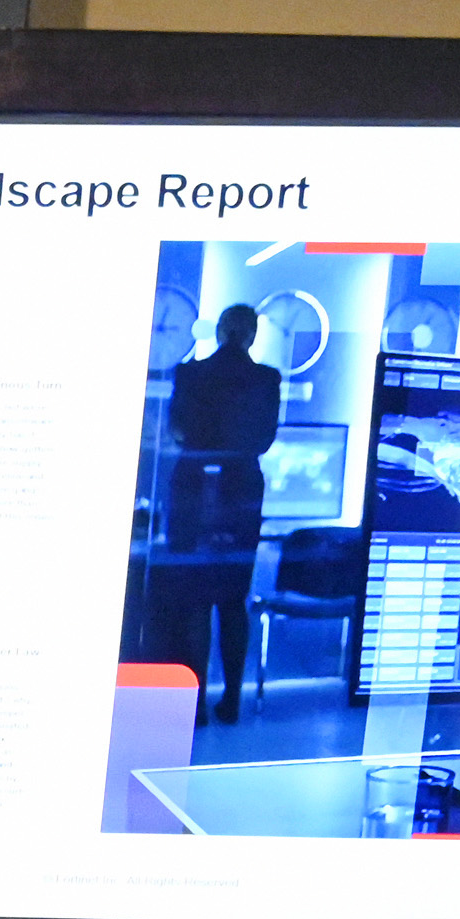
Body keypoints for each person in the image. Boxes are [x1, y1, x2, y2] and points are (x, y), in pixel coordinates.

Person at [139, 304, 284, 724]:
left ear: (220, 331)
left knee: (194, 601)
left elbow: (178, 431)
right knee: (233, 599)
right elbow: (264, 440)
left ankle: (196, 701)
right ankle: (232, 700)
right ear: (252, 334)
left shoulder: (190, 374)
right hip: (242, 492)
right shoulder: (267, 379)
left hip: (192, 490)